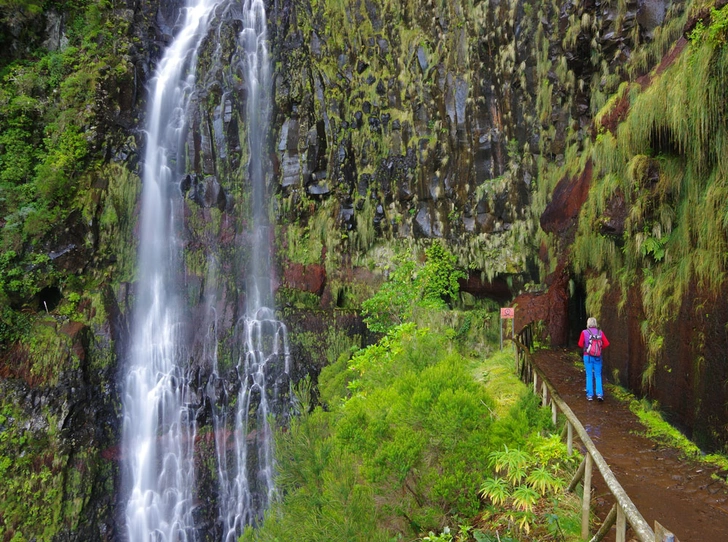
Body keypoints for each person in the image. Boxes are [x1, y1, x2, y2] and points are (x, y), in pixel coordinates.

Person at [577, 317, 610, 401]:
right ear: (595, 324)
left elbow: (580, 344)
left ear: (588, 324)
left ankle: (590, 395)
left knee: (589, 375)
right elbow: (606, 343)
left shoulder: (584, 332)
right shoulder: (600, 332)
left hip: (587, 356)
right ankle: (599, 394)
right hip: (598, 357)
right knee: (598, 375)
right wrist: (598, 349)